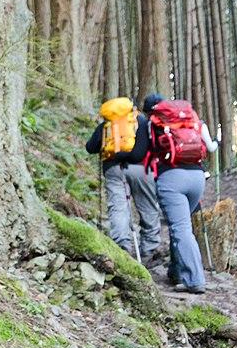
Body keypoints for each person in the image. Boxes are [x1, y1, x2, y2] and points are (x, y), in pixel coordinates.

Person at [140, 93, 218, 295]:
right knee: (182, 226)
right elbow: (210, 147)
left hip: (171, 179)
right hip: (197, 177)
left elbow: (142, 152)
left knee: (181, 228)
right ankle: (177, 272)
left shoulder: (152, 124)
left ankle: (195, 280)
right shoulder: (193, 121)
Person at [85, 96, 162, 264]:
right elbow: (146, 147)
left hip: (113, 169)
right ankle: (150, 249)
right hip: (141, 169)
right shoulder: (140, 121)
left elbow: (90, 147)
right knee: (147, 206)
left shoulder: (107, 125)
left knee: (118, 208)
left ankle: (123, 247)